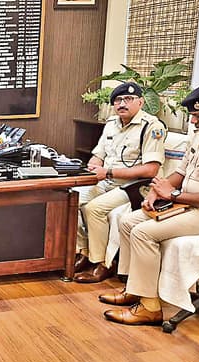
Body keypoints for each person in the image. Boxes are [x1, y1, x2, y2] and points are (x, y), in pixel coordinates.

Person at [101, 83, 199, 326]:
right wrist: (157, 191)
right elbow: (182, 173)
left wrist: (173, 196)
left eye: (198, 116)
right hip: (192, 206)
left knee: (143, 233)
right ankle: (136, 289)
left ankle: (149, 307)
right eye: (192, 116)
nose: (193, 121)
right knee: (128, 221)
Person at [74, 82, 167, 283]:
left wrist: (108, 172)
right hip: (106, 181)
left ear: (140, 102)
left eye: (128, 99)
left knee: (94, 209)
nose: (122, 104)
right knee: (71, 199)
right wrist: (94, 165)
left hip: (135, 186)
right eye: (118, 100)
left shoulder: (152, 127)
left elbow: (151, 170)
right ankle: (84, 251)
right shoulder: (111, 124)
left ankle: (103, 263)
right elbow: (98, 155)